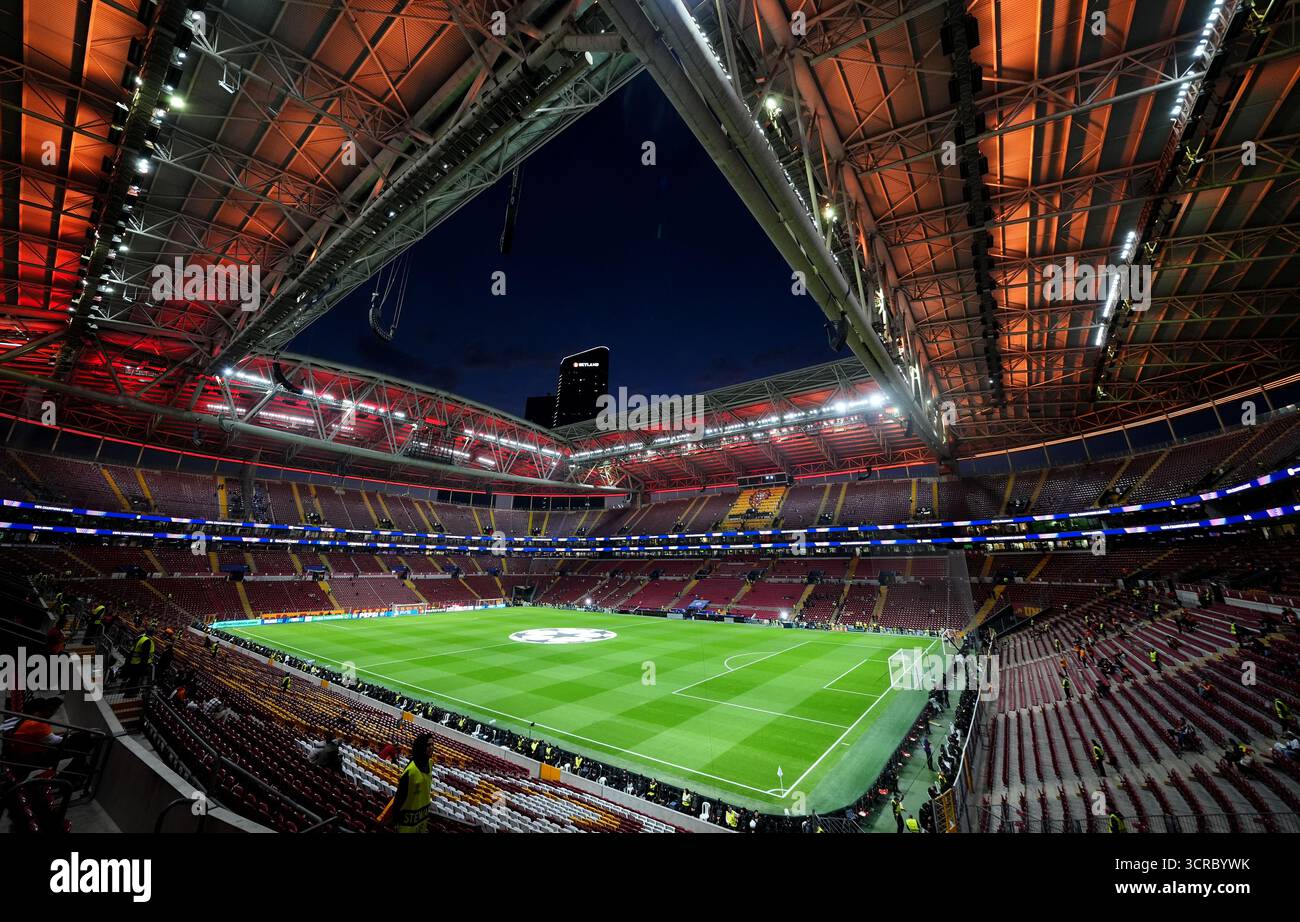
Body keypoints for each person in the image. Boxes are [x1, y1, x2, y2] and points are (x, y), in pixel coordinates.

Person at [385, 734, 433, 833]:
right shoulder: (410, 771)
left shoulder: (430, 763)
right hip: (408, 825)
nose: (432, 747)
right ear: (421, 747)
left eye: (432, 745)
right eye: (428, 745)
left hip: (421, 820)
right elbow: (399, 798)